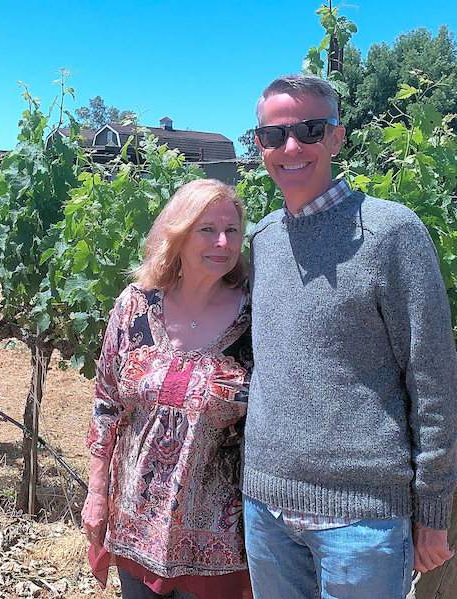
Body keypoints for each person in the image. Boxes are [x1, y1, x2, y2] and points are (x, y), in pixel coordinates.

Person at [242, 74, 457, 599]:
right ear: (260, 146)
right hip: (266, 510)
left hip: (362, 520)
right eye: (274, 136)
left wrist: (433, 510)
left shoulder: (391, 232)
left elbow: (433, 377)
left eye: (310, 130)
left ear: (337, 138)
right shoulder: (264, 240)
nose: (290, 147)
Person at [82, 179, 253, 599]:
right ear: (177, 233)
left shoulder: (257, 314)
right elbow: (106, 405)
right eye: (207, 229)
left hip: (222, 538)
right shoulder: (135, 306)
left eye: (232, 230)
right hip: (135, 519)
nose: (222, 242)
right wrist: (97, 492)